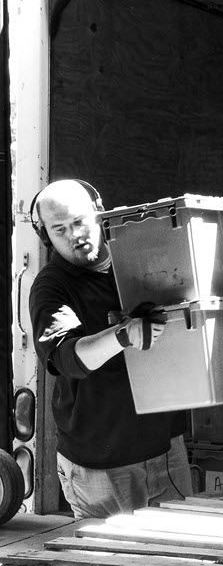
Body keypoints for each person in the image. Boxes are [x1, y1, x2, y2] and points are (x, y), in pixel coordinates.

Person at [28, 178, 193, 520]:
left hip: (164, 447)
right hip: (102, 467)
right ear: (46, 236)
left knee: (177, 561)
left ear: (99, 215)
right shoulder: (51, 286)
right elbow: (65, 357)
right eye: (60, 229)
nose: (75, 235)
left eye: (79, 222)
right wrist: (122, 335)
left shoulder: (136, 259)